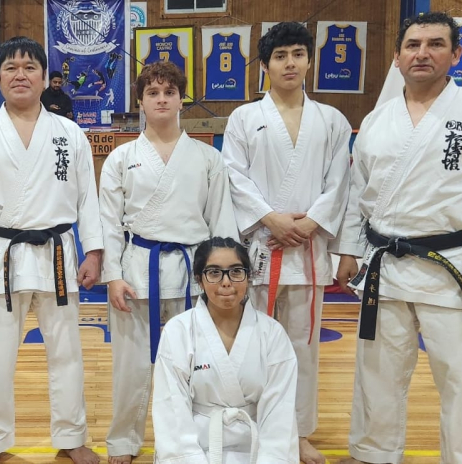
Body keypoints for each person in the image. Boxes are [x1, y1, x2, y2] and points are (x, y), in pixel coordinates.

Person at [334, 12, 462, 464]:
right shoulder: (378, 120)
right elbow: (357, 195)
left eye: (436, 44)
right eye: (413, 45)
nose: (422, 53)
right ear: (397, 57)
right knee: (377, 372)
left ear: (456, 54)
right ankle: (373, 453)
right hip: (386, 265)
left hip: (453, 265)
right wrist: (348, 250)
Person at [0, 36, 103, 464]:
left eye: (29, 67)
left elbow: (87, 199)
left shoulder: (69, 133)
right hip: (1, 253)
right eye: (11, 68)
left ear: (44, 77)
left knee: (67, 352)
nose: (20, 75)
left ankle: (72, 437)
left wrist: (94, 252)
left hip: (58, 252)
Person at [220, 22, 351, 464]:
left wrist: (311, 222)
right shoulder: (244, 118)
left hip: (307, 250)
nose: (289, 63)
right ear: (265, 65)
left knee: (302, 349)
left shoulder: (332, 121)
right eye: (280, 56)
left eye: (297, 54)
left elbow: (340, 182)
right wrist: (270, 218)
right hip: (260, 247)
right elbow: (233, 177)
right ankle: (250, 425)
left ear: (310, 60)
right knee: (251, 344)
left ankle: (297, 433)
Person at [99, 61, 239, 464]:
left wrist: (222, 277)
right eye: (152, 93)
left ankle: (185, 444)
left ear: (181, 100)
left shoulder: (207, 157)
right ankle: (123, 442)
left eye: (169, 92)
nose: (161, 99)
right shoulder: (122, 158)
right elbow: (109, 224)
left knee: (194, 366)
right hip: (137, 270)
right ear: (141, 102)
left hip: (193, 271)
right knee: (130, 367)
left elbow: (220, 222)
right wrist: (113, 276)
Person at [152, 237, 299, 463]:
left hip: (256, 446)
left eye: (236, 272)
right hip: (196, 445)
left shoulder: (272, 333)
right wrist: (191, 458)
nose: (226, 282)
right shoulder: (179, 330)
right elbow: (171, 407)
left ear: (248, 277)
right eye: (214, 273)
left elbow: (280, 412)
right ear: (199, 280)